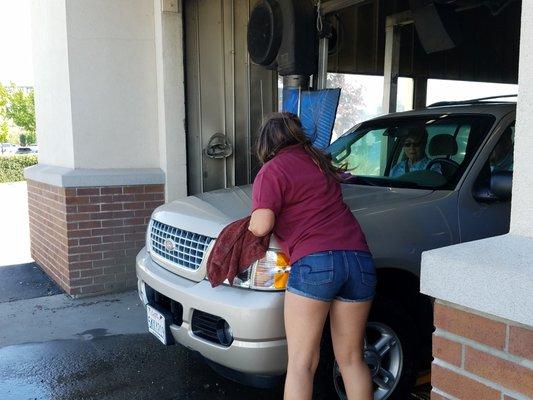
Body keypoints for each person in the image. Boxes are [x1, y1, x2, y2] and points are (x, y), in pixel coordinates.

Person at [249, 112, 376, 400]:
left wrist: (246, 222)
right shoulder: (319, 162)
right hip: (359, 261)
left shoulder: (272, 170)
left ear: (265, 143)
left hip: (315, 264)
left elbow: (261, 225)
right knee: (352, 360)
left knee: (301, 364)